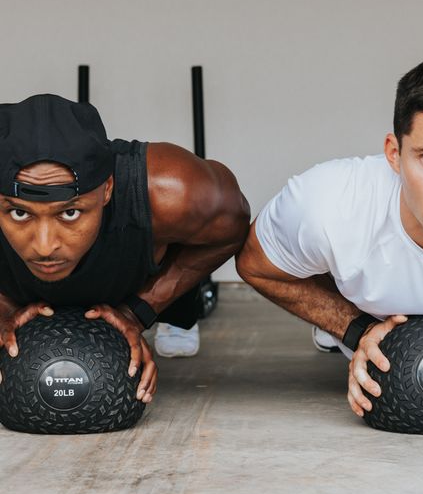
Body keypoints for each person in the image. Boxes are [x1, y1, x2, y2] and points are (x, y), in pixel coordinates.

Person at [236, 56, 423, 425]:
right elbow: (256, 265)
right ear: (394, 155)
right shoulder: (328, 204)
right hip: (366, 301)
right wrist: (353, 327)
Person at [0, 94, 250, 403]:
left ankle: (174, 317)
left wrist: (140, 309)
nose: (45, 245)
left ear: (107, 189)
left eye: (70, 213)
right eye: (20, 213)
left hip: (127, 278)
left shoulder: (170, 192)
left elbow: (233, 224)